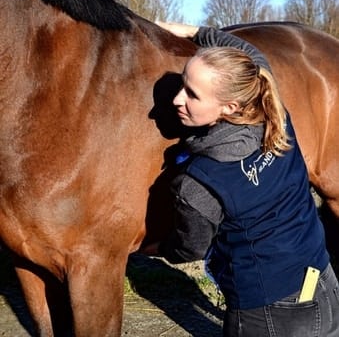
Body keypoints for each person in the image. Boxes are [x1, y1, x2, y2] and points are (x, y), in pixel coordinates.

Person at [140, 22, 339, 337]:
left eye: (192, 94)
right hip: (323, 284)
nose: (178, 99)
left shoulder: (199, 182)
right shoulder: (274, 112)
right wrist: (178, 29)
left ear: (229, 106)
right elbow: (250, 54)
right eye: (182, 84)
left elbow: (188, 249)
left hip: (267, 314)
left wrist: (150, 248)